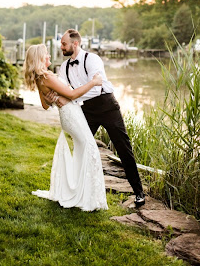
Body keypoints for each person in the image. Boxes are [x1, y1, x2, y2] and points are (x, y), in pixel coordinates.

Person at [47, 29, 145, 207]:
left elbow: (95, 88)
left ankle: (139, 192)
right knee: (81, 146)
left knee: (123, 148)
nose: (61, 47)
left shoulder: (92, 59)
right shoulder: (64, 67)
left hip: (107, 106)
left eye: (63, 44)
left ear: (75, 44)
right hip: (87, 110)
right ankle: (77, 190)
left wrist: (71, 96)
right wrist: (54, 95)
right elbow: (61, 88)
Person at [24, 44, 108, 212]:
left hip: (68, 114)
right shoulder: (46, 77)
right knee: (89, 148)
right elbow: (71, 95)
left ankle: (81, 191)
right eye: (46, 54)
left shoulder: (41, 78)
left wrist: (52, 99)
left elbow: (45, 105)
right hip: (71, 113)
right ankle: (87, 197)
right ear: (40, 58)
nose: (49, 56)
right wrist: (93, 82)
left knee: (82, 149)